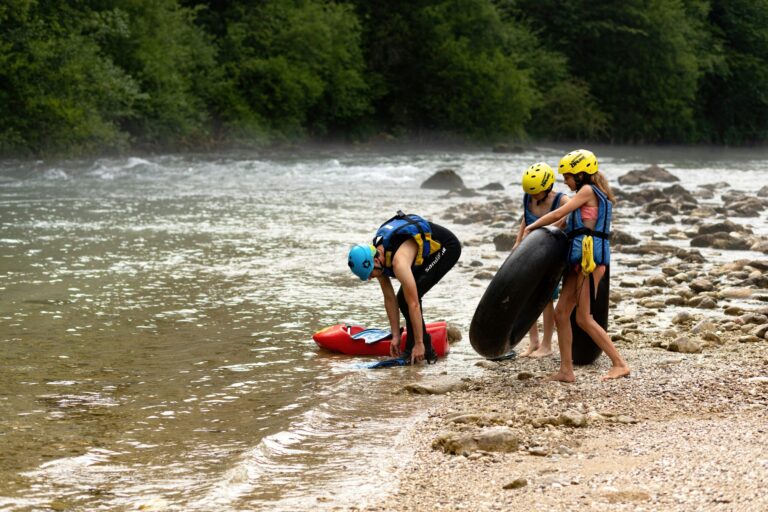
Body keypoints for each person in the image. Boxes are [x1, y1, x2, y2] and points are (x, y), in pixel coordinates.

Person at [523, 149, 630, 382]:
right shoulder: (591, 193)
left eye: (568, 176)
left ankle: (620, 364)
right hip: (580, 261)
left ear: (581, 174)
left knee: (583, 318)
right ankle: (566, 370)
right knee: (562, 313)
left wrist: (530, 228)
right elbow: (563, 221)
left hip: (588, 262)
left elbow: (559, 211)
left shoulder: (588, 190)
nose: (564, 181)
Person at [347, 211, 461, 365]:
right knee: (402, 298)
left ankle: (423, 346)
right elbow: (389, 298)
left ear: (375, 260)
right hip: (422, 253)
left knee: (408, 297)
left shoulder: (398, 263)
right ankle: (418, 344)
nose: (369, 278)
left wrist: (419, 343)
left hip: (446, 248)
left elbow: (413, 303)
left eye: (369, 273)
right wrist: (395, 336)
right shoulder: (377, 257)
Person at [513, 162, 569, 358]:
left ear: (548, 187)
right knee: (527, 296)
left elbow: (567, 219)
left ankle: (547, 345)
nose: (533, 197)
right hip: (528, 253)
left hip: (549, 255)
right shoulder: (529, 196)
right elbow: (526, 219)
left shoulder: (561, 201)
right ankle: (533, 341)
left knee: (545, 299)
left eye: (537, 193)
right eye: (531, 193)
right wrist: (518, 240)